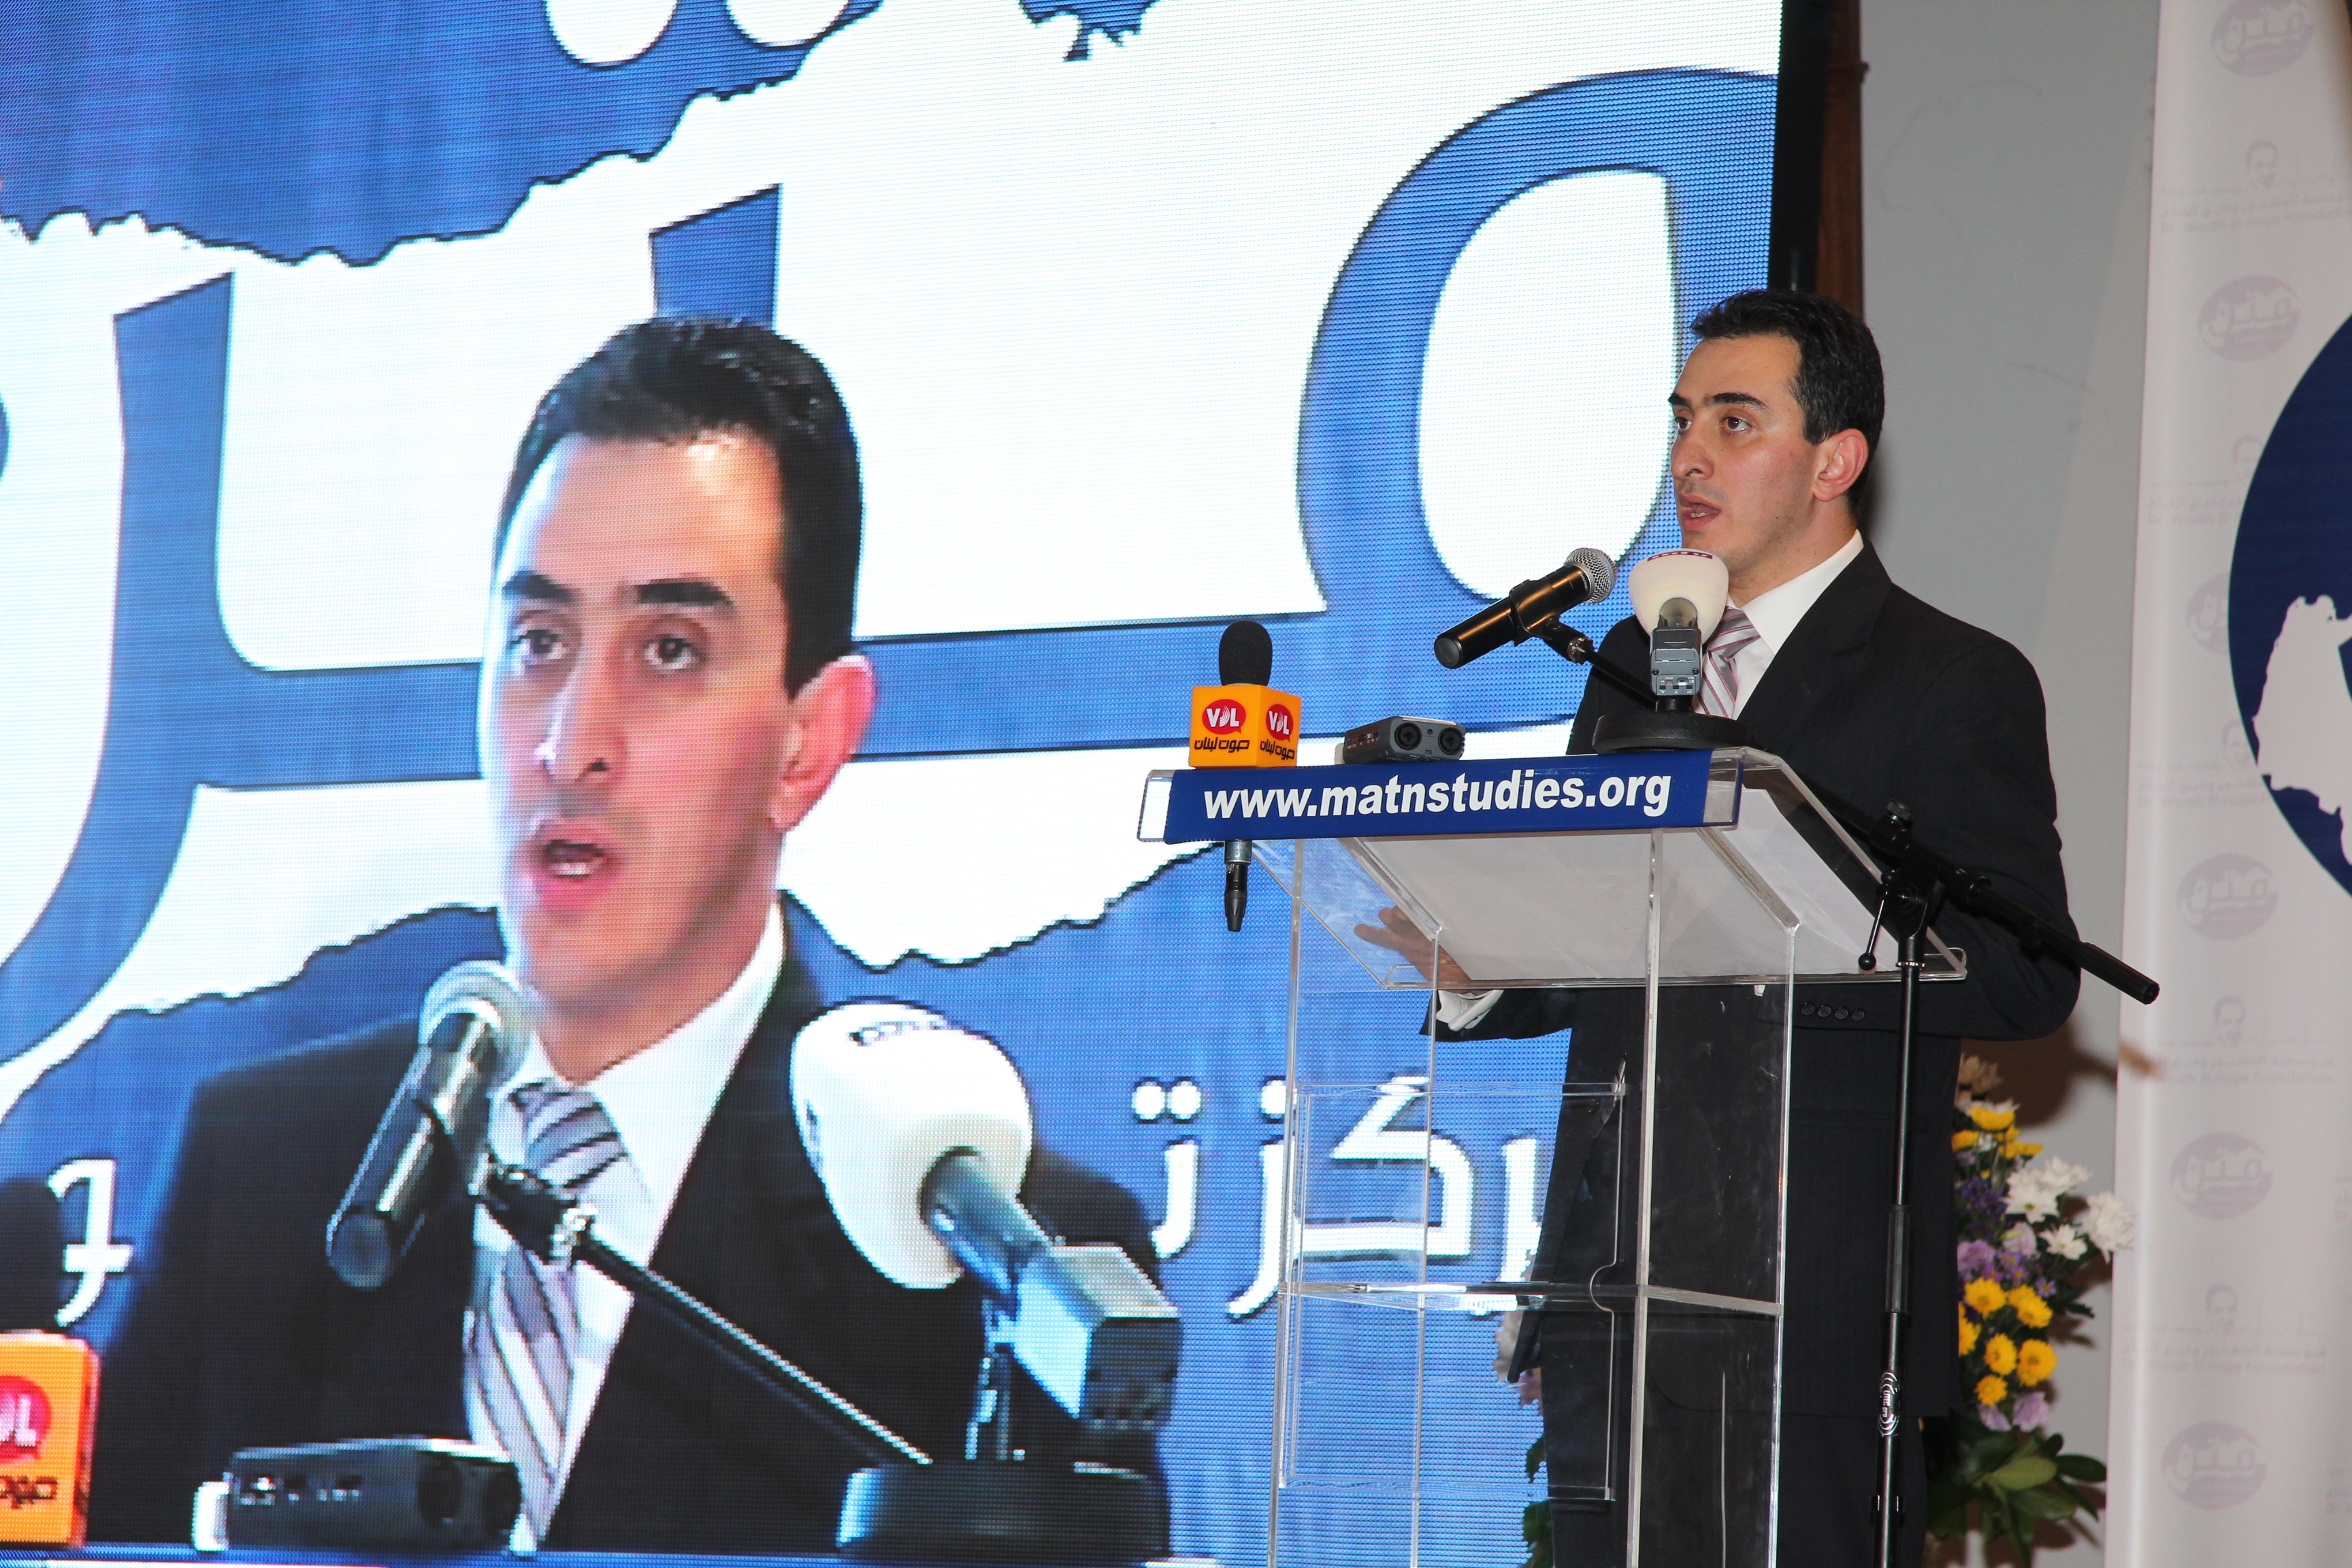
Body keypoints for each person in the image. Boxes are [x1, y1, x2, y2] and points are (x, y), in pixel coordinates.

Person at [88, 318, 1157, 1551]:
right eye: (539, 645)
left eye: (669, 651)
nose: (569, 743)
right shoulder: (266, 1173)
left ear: (810, 740)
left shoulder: (983, 1266)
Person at [1366, 290, 2078, 1567]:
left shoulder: (1948, 679)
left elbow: (2027, 976)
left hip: (1811, 1310)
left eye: (1734, 422)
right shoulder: (1632, 661)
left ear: (1835, 460)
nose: (1689, 456)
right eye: (1683, 419)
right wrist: (1488, 968)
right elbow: (1617, 948)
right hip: (1611, 1304)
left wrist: (1779, 953)